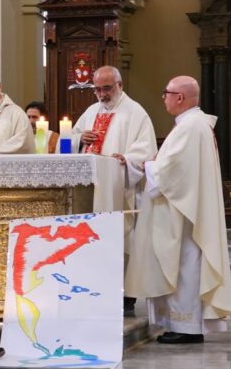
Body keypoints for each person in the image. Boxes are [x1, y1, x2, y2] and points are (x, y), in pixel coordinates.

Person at [125, 76, 231, 344]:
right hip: (187, 210)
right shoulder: (194, 125)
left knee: (185, 267)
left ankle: (187, 328)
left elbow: (170, 172)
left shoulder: (191, 127)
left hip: (184, 217)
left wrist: (149, 165)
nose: (164, 98)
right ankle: (181, 325)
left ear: (180, 97)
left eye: (166, 93)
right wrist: (156, 163)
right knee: (183, 267)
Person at [70, 66, 157, 316]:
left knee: (121, 236)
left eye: (106, 88)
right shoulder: (91, 111)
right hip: (90, 188)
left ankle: (124, 294)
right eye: (97, 89)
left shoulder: (135, 113)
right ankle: (93, 288)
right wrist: (80, 139)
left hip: (119, 189)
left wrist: (126, 159)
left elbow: (145, 150)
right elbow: (74, 136)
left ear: (120, 85)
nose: (101, 94)